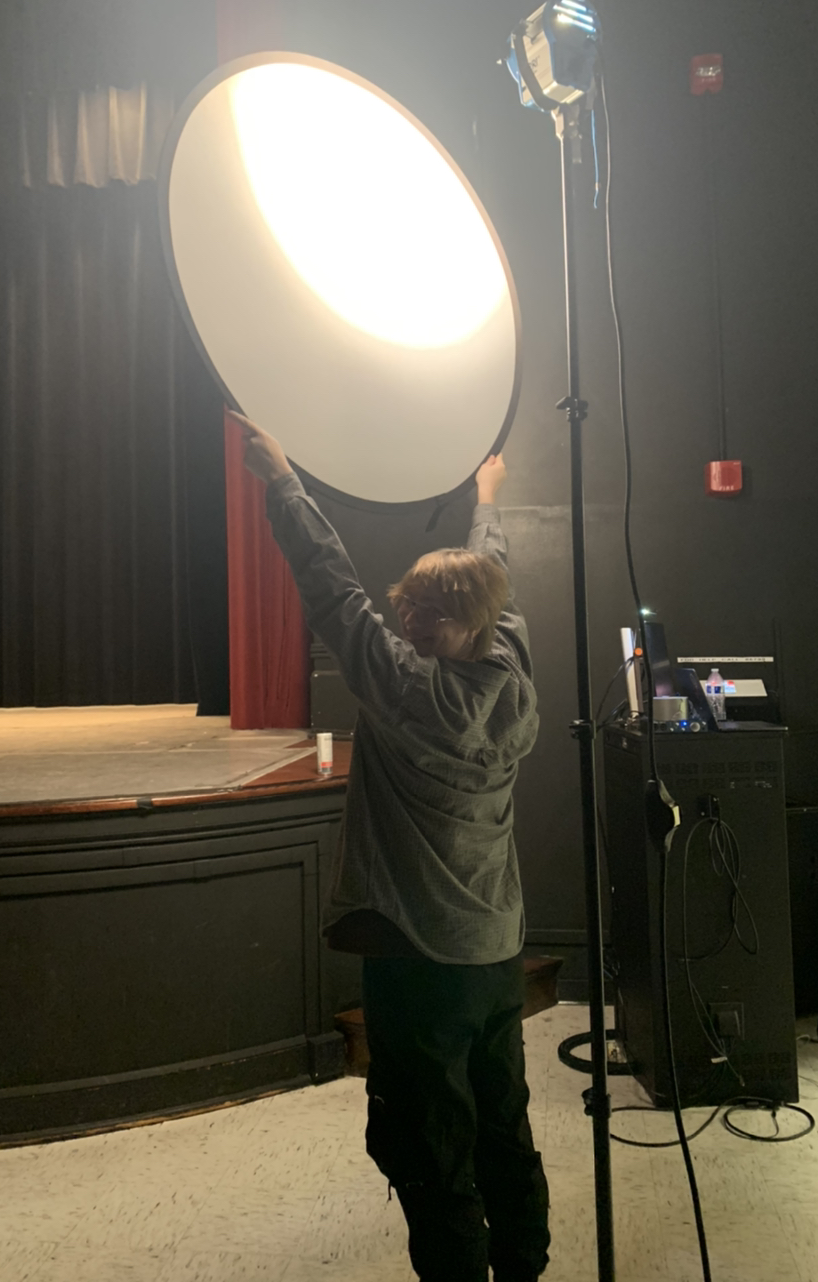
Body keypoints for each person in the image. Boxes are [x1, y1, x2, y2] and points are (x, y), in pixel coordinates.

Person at [230, 411, 550, 1282]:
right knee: (501, 1117)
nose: (408, 628)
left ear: (462, 626)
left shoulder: (409, 691)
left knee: (429, 1139)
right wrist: (487, 500)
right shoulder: (509, 663)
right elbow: (498, 577)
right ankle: (524, 1263)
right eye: (405, 612)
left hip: (420, 959)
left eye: (427, 620)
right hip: (494, 952)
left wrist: (284, 484)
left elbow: (333, 589)